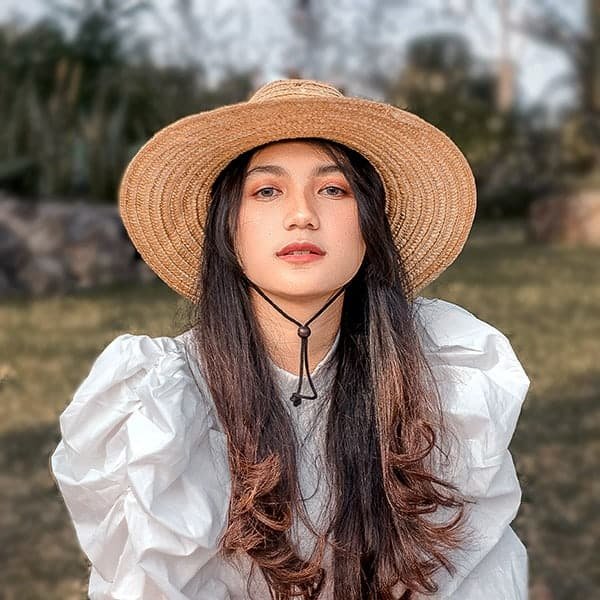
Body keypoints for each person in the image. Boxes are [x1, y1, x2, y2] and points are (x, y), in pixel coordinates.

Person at [49, 79, 530, 599]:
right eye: (267, 191)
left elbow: (473, 573)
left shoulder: (441, 377)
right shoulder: (162, 402)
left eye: (333, 189)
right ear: (227, 228)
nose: (301, 214)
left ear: (370, 226)